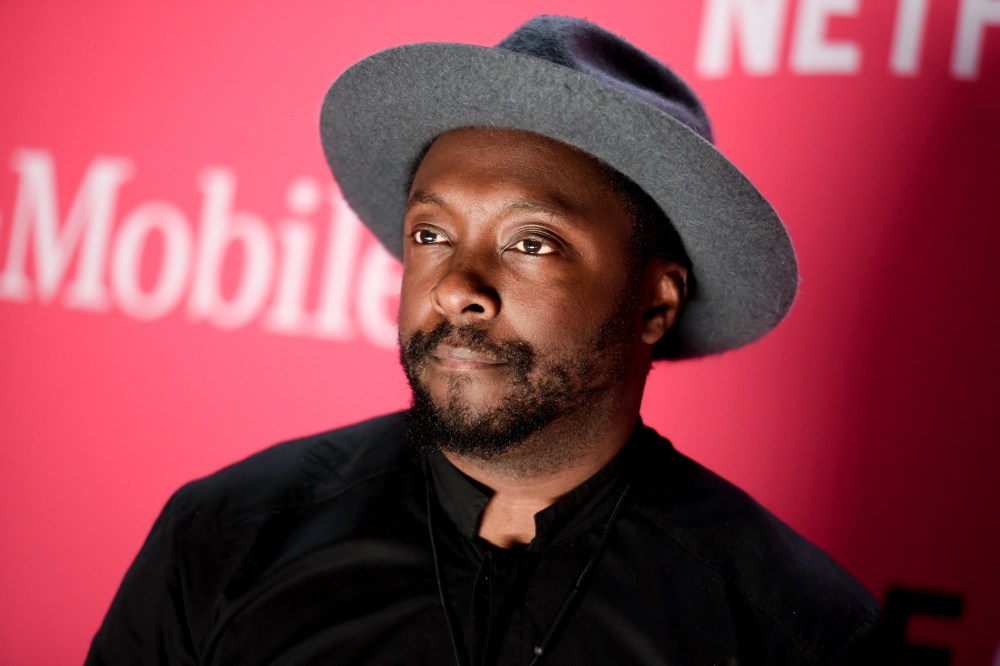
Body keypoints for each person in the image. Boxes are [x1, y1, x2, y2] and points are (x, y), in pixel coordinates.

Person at [87, 16, 882, 665]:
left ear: (654, 301)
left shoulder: (798, 632)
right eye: (431, 233)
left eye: (531, 243)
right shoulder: (231, 535)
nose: (456, 286)